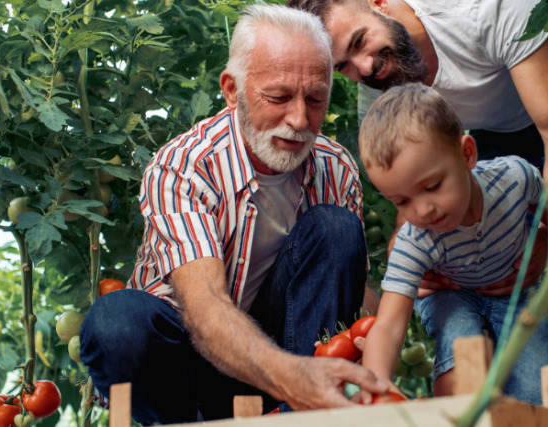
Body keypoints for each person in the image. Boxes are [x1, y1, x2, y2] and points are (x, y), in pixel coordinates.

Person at [286, 0, 548, 424]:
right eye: (345, 67)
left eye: (360, 42)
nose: (365, 68)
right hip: (471, 139)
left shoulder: (486, 11)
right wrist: (410, 267)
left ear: (379, 3)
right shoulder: (380, 94)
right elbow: (406, 195)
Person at [77, 5, 389, 424]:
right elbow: (205, 307)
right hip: (190, 360)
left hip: (287, 359)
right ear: (231, 89)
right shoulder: (184, 166)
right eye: (278, 97)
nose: (299, 120)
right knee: (116, 323)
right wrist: (294, 376)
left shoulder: (336, 167)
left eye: (316, 99)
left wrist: (378, 332)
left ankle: (303, 416)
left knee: (336, 228)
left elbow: (347, 291)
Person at [356, 83, 548, 403]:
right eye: (401, 201)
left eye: (432, 186)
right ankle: (455, 414)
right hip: (450, 295)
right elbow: (389, 326)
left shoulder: (514, 177)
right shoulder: (415, 241)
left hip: (511, 294)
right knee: (462, 352)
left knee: (535, 390)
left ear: (467, 154)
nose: (422, 210)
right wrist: (376, 385)